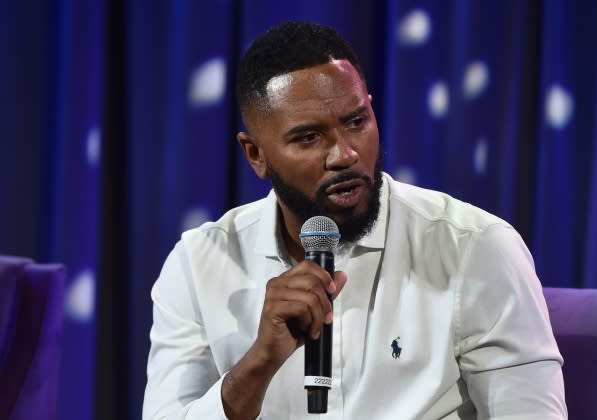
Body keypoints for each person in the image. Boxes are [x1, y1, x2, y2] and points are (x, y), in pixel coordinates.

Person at [142, 21, 567, 419]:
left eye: (356, 121)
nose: (345, 154)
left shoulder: (474, 247)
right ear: (255, 154)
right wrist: (258, 363)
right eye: (309, 137)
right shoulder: (199, 264)